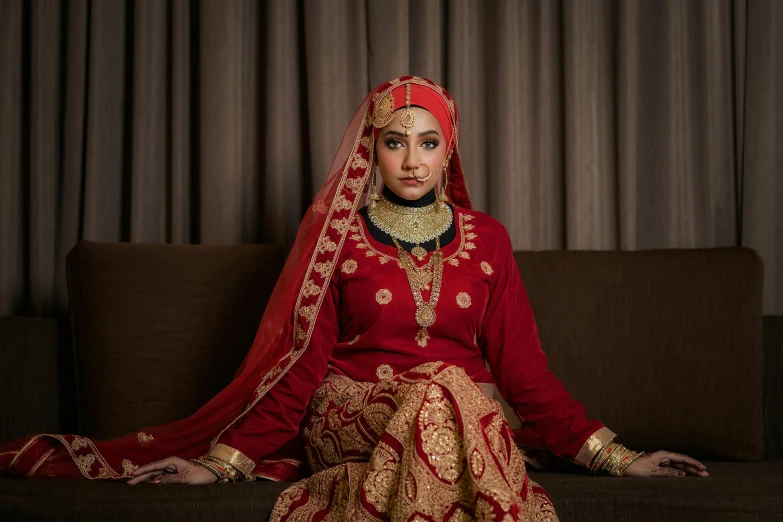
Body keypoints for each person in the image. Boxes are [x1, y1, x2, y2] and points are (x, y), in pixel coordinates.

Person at [1, 77, 707, 521]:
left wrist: (618, 457)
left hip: (456, 417)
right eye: (394, 142)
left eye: (427, 143)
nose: (410, 159)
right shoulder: (336, 237)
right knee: (448, 392)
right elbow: (298, 369)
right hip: (349, 412)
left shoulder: (487, 239)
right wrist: (219, 463)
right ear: (372, 150)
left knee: (451, 392)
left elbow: (523, 371)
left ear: (447, 151)